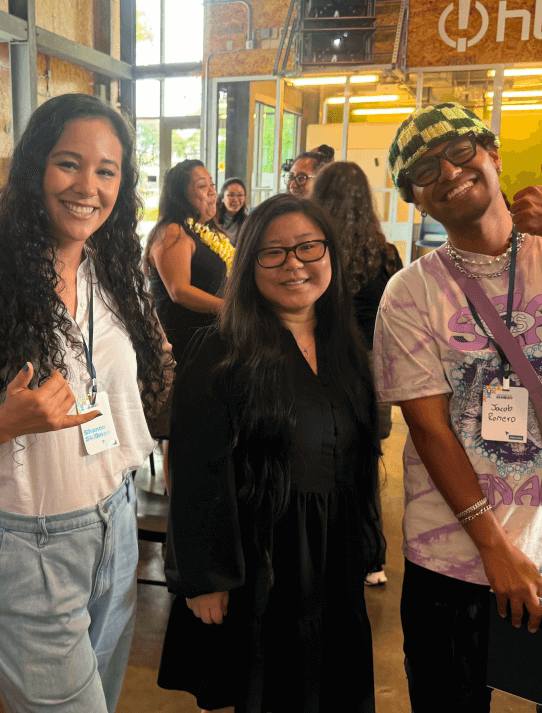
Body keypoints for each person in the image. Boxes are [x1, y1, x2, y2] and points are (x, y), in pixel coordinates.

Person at [0, 93, 172, 713]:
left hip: (115, 525)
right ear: (31, 172)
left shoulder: (116, 275)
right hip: (25, 547)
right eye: (68, 164)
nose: (88, 186)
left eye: (107, 171)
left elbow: (143, 386)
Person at [158, 193, 381, 713]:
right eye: (273, 253)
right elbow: (195, 470)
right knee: (275, 689)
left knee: (334, 687)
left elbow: (361, 456)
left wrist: (368, 539)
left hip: (334, 547)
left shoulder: (345, 345)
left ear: (330, 255)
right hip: (263, 555)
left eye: (308, 248)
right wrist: (205, 579)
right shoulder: (222, 349)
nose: (294, 264)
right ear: (250, 263)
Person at [375, 102, 542, 712]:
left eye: (460, 152)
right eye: (424, 169)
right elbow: (429, 428)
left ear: (493, 156)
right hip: (450, 556)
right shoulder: (409, 292)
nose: (447, 171)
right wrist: (494, 548)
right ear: (416, 199)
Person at [312, 160, 403, 587]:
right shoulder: (386, 254)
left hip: (321, 359)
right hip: (370, 367)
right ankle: (371, 556)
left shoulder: (314, 247)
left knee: (318, 459)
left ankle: (319, 547)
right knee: (365, 462)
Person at [145, 159, 232, 363]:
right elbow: (179, 291)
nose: (212, 191)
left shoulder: (204, 231)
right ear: (180, 195)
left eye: (212, 184)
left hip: (210, 337)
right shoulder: (173, 231)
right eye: (202, 186)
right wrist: (231, 308)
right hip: (187, 342)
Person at [214, 177, 248, 246]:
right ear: (222, 198)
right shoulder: (212, 219)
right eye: (231, 195)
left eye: (240, 195)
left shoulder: (247, 222)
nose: (235, 199)